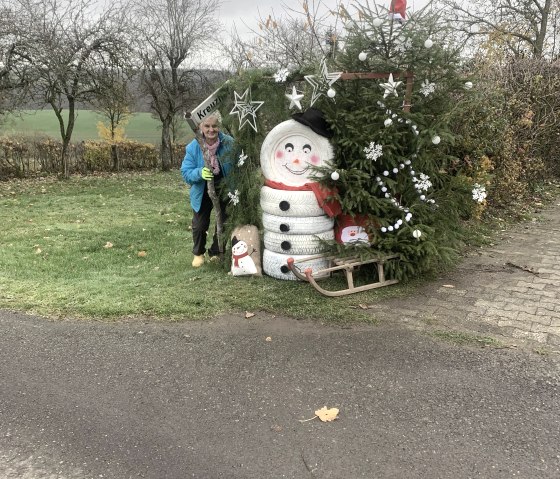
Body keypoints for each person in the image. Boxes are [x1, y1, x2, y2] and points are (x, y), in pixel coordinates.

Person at [181, 111, 234, 267]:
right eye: (207, 126)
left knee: (224, 221)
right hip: (202, 188)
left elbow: (239, 165)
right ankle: (198, 253)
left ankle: (216, 251)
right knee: (199, 224)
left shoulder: (229, 143)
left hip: (224, 185)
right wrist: (199, 173)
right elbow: (185, 172)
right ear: (200, 127)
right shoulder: (193, 147)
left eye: (215, 126)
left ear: (219, 127)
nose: (211, 130)